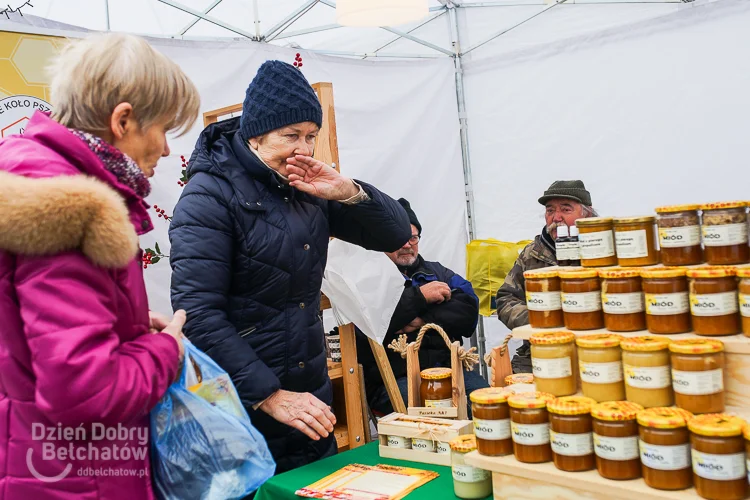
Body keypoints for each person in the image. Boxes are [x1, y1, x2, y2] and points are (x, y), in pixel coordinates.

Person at [169, 60, 411, 474]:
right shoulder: (207, 197)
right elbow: (198, 315)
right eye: (290, 136)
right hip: (241, 403)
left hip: (307, 395)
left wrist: (348, 191)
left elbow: (394, 235)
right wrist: (269, 395)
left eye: (311, 136)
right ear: (256, 136)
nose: (303, 148)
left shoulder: (306, 188)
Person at [0, 33, 199, 499]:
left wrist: (124, 327)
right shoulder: (68, 205)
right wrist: (165, 351)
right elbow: (85, 394)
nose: (167, 149)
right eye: (164, 128)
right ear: (123, 120)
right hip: (76, 478)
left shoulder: (27, 177)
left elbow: (31, 341)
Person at [356, 199, 487, 417]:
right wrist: (421, 297)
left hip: (449, 370)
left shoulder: (439, 273)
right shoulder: (368, 279)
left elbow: (468, 312)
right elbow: (373, 323)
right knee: (438, 416)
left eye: (413, 237)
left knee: (486, 406)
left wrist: (421, 321)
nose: (407, 244)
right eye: (397, 238)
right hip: (395, 378)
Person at [496, 180, 597, 372]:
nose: (556, 218)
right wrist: (541, 320)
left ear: (587, 213)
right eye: (550, 211)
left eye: (566, 210)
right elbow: (505, 299)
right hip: (540, 351)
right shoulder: (532, 254)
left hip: (598, 348)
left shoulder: (603, 250)